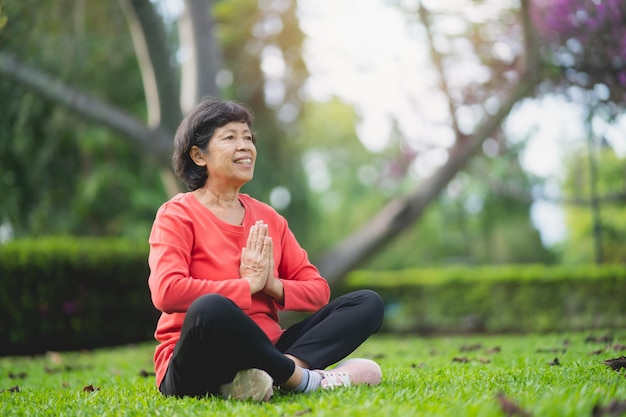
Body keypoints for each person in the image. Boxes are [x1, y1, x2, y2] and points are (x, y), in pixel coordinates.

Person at [147, 97, 385, 401]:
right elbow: (166, 292)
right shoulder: (176, 214)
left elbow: (318, 291)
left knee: (367, 303)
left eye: (248, 137)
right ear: (198, 155)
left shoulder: (269, 218)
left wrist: (270, 285)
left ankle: (274, 376)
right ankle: (304, 380)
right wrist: (246, 287)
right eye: (230, 137)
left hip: (267, 349)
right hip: (196, 362)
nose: (245, 146)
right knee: (211, 309)